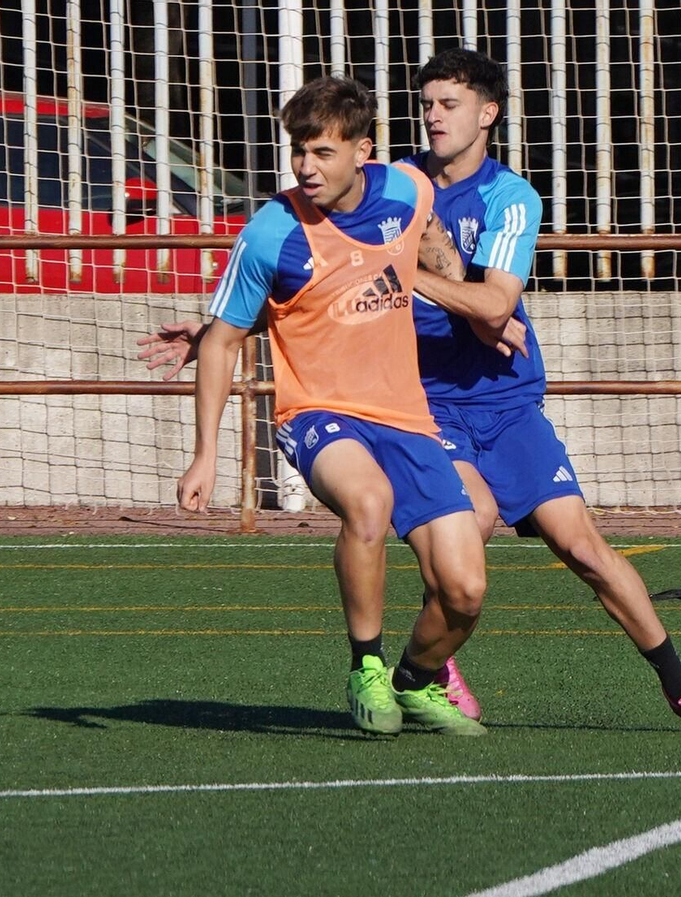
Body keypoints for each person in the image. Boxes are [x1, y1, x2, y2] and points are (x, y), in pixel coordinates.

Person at [144, 49, 681, 735]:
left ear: (488, 114)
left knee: (583, 547)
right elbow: (320, 285)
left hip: (502, 398)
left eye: (449, 104)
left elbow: (488, 303)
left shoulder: (498, 197)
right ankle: (415, 667)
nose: (433, 115)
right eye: (427, 102)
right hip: (423, 401)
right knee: (469, 521)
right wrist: (212, 332)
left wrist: (422, 283)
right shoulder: (387, 183)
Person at [177, 74, 488, 737]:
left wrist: (451, 274)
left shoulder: (406, 188)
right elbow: (222, 339)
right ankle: (366, 666)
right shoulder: (270, 232)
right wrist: (205, 454)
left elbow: (427, 232)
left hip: (405, 414)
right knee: (369, 501)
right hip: (316, 410)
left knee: (464, 591)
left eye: (321, 152)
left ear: (363, 152)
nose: (305, 167)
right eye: (298, 150)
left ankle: (413, 680)